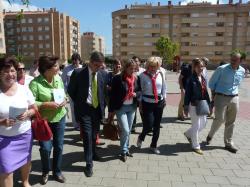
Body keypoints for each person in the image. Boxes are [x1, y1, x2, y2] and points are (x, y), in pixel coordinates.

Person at [29, 56, 67, 184]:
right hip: (43, 121)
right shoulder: (35, 83)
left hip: (60, 117)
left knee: (59, 146)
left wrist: (65, 100)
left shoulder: (58, 78)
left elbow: (63, 94)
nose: (58, 68)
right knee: (45, 148)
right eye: (55, 66)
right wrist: (46, 104)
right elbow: (31, 103)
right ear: (47, 69)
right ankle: (45, 171)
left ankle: (57, 171)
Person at [67, 52, 106, 177]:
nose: (98, 68)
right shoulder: (78, 73)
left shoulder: (101, 74)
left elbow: (102, 92)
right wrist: (80, 103)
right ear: (90, 62)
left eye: (100, 66)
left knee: (95, 134)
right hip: (84, 110)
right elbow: (71, 91)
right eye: (96, 65)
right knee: (88, 136)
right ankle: (89, 164)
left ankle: (93, 153)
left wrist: (103, 108)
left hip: (96, 110)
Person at [0, 58, 36, 187]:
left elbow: (34, 109)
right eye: (5, 71)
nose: (10, 74)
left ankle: (25, 182)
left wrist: (27, 114)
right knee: (6, 170)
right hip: (3, 139)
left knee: (26, 160)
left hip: (24, 134)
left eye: (12, 70)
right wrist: (2, 122)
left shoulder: (24, 89)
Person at [206, 52, 245, 153]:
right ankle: (210, 134)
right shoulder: (222, 69)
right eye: (231, 59)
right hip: (221, 97)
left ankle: (228, 143)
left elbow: (238, 84)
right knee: (220, 119)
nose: (232, 61)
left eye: (235, 60)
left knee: (231, 122)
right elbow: (211, 83)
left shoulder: (242, 71)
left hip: (234, 98)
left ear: (240, 61)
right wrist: (213, 96)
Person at [137, 56, 167, 154]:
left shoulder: (161, 74)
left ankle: (153, 146)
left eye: (155, 66)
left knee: (157, 126)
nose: (153, 68)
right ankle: (141, 137)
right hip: (147, 103)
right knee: (148, 125)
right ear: (147, 66)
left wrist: (164, 98)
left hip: (159, 103)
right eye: (151, 66)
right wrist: (140, 102)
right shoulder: (142, 76)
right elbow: (139, 91)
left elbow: (164, 87)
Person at [110, 59, 138, 162]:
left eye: (134, 69)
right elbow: (112, 95)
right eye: (131, 68)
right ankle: (123, 150)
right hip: (120, 108)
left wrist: (136, 94)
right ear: (125, 68)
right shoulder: (117, 78)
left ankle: (125, 150)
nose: (133, 70)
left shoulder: (135, 78)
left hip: (132, 107)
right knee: (125, 130)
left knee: (128, 130)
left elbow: (139, 91)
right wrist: (111, 111)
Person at [183, 58, 211, 155]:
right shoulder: (191, 79)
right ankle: (196, 146)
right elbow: (187, 94)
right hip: (193, 105)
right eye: (198, 66)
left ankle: (188, 134)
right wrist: (185, 107)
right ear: (194, 67)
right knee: (196, 125)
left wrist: (210, 104)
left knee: (203, 124)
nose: (201, 68)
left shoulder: (203, 78)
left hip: (202, 104)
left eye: (202, 66)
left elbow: (206, 92)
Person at [61, 53, 82, 130]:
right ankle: (76, 125)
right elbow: (63, 81)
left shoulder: (82, 68)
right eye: (73, 60)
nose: (75, 62)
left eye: (76, 60)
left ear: (79, 60)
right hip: (71, 92)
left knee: (81, 108)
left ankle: (81, 124)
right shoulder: (67, 69)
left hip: (81, 92)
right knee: (73, 108)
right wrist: (65, 91)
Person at [131, 56, 145, 133]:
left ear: (139, 62)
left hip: (142, 95)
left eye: (137, 61)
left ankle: (146, 127)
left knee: (142, 111)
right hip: (133, 95)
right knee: (133, 112)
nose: (135, 62)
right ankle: (133, 127)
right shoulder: (131, 71)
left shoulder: (143, 71)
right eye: (134, 61)